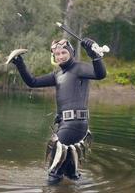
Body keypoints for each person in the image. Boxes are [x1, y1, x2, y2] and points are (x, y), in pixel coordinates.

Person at [11, 38, 106, 184]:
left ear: (71, 53)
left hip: (75, 125)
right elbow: (32, 82)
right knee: (69, 172)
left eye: (63, 52)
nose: (60, 56)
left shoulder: (79, 68)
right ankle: (74, 184)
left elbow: (100, 74)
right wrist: (19, 63)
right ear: (53, 57)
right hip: (66, 124)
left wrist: (95, 56)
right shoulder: (57, 75)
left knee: (54, 171)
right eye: (57, 54)